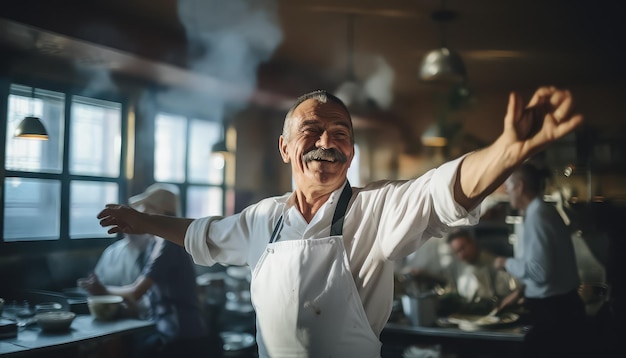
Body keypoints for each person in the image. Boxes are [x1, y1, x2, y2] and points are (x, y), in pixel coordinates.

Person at [97, 86, 583, 357]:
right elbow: (200, 233)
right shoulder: (261, 219)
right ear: (286, 147)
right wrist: (143, 221)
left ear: (350, 150)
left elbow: (441, 189)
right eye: (311, 131)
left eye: (340, 134)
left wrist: (504, 153)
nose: (326, 142)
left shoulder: (375, 208)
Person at [79, 184, 222, 358]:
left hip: (183, 336)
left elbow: (136, 292)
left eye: (145, 210)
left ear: (156, 213)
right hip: (171, 334)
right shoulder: (154, 243)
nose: (141, 215)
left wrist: (103, 291)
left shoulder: (168, 244)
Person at [494, 161, 587, 357]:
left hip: (555, 315)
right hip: (560, 308)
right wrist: (520, 292)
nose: (506, 192)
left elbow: (539, 271)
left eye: (509, 186)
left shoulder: (538, 216)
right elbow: (545, 266)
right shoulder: (540, 211)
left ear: (520, 187)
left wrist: (505, 263)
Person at [404, 228, 523, 317]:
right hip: (466, 316)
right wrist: (424, 275)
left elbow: (513, 291)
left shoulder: (494, 264)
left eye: (463, 248)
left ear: (472, 242)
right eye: (457, 252)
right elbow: (447, 284)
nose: (461, 255)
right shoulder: (459, 267)